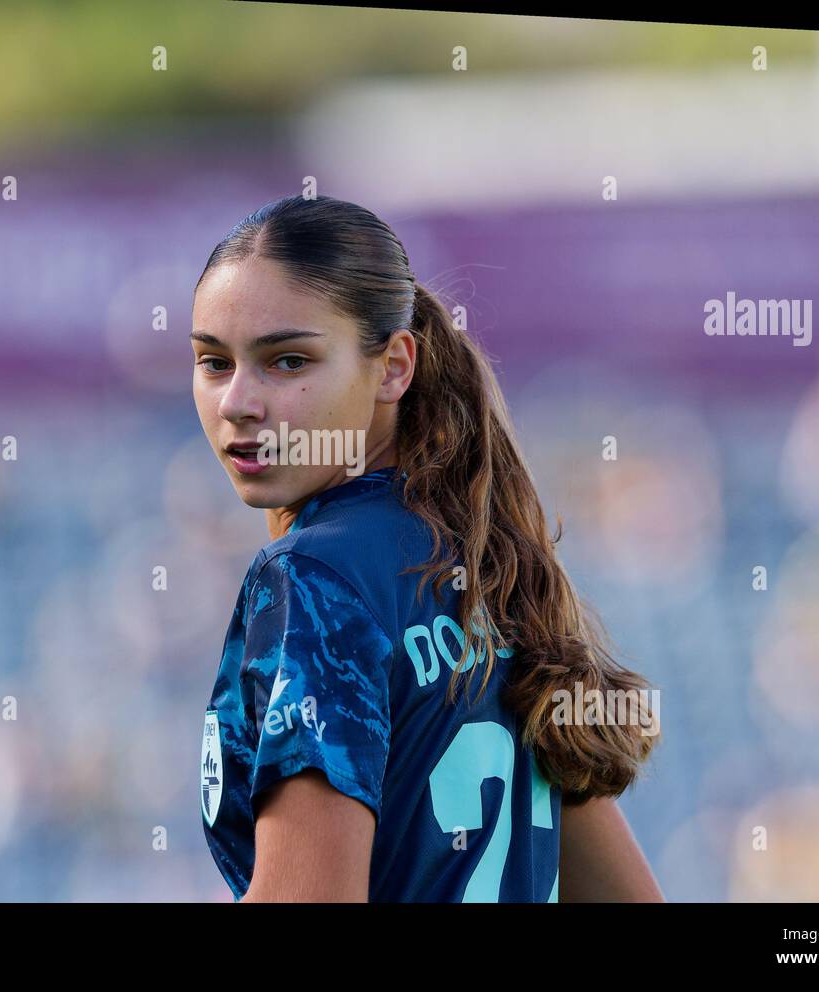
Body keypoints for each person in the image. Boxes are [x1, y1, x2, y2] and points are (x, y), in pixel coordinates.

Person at [193, 194, 663, 902]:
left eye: (287, 361)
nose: (238, 402)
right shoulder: (491, 565)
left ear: (393, 367)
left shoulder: (317, 577)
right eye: (214, 362)